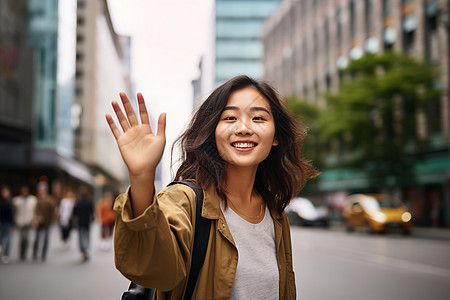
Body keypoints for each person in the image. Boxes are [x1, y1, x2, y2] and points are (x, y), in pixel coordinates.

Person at [106, 75, 318, 299]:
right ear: (212, 132)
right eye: (230, 118)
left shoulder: (275, 214)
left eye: (258, 118)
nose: (244, 128)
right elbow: (152, 268)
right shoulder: (184, 200)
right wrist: (142, 177)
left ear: (275, 136)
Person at [32, 181, 56, 262]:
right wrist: (36, 218)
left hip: (47, 221)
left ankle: (43, 253)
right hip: (39, 222)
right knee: (37, 238)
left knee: (46, 238)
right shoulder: (37, 199)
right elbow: (35, 211)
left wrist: (53, 219)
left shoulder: (49, 199)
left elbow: (53, 211)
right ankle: (35, 251)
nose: (41, 191)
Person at [12, 184, 37, 261]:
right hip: (20, 221)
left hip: (29, 221)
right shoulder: (16, 200)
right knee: (21, 238)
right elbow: (14, 212)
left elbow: (35, 211)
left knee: (27, 238)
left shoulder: (33, 200)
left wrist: (34, 220)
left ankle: (25, 252)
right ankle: (21, 253)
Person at [72, 185, 94, 262]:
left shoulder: (79, 201)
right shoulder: (88, 201)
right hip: (86, 222)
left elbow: (74, 212)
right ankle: (86, 250)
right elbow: (91, 211)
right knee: (86, 236)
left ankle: (84, 250)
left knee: (81, 237)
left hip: (81, 222)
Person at [0, 185, 14, 264]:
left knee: (8, 240)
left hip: (8, 223)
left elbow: (13, 214)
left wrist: (13, 225)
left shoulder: (11, 202)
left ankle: (6, 255)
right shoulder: (1, 202)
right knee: (1, 239)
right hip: (1, 222)